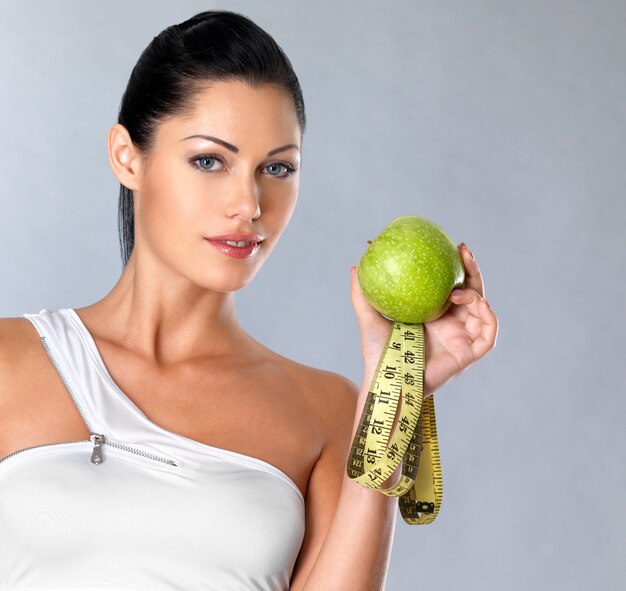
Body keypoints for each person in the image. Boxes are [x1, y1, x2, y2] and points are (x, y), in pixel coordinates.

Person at [0, 9, 498, 590]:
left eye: (277, 168)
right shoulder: (12, 364)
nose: (250, 203)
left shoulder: (326, 413)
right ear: (126, 157)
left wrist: (396, 392)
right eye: (209, 160)